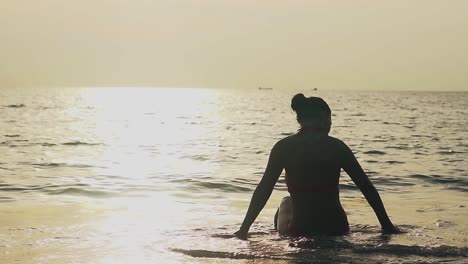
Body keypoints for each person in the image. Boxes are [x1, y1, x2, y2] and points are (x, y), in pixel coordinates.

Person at [235, 93, 398, 239]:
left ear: (300, 120)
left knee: (286, 201)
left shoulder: (283, 147)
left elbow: (264, 189)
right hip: (337, 228)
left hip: (300, 229)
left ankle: (284, 238)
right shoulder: (337, 147)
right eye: (331, 119)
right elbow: (366, 186)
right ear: (325, 118)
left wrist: (244, 229)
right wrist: (386, 225)